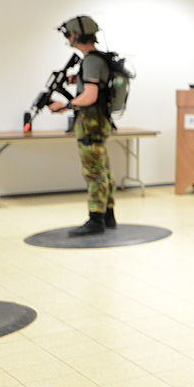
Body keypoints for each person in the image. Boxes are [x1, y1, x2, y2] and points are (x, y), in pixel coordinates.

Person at [48, 16, 116, 236]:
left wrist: (65, 105)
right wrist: (73, 80)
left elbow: (90, 96)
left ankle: (96, 220)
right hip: (98, 123)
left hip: (91, 124)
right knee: (103, 170)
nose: (67, 38)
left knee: (94, 172)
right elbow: (93, 87)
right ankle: (108, 216)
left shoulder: (92, 61)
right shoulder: (95, 60)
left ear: (77, 35)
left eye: (68, 34)